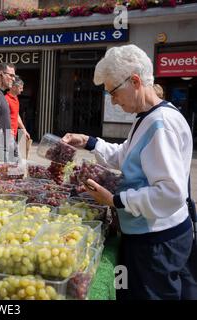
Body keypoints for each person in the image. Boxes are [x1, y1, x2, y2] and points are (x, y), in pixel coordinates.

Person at [62, 44, 197, 300]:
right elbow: (126, 156)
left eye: (113, 92)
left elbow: (170, 193)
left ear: (135, 81)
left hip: (156, 241)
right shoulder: (145, 117)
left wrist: (114, 200)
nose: (112, 100)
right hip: (148, 236)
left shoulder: (161, 125)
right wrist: (90, 142)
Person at [5, 76, 31, 158]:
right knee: (17, 158)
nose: (22, 90)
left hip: (13, 134)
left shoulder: (16, 99)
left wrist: (24, 130)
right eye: (20, 88)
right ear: (13, 87)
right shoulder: (5, 99)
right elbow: (2, 117)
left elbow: (16, 115)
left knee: (11, 160)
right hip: (7, 134)